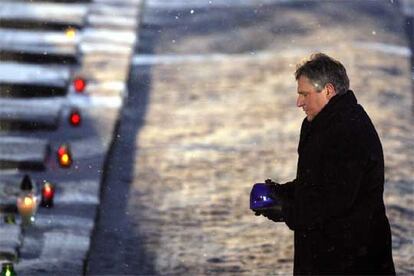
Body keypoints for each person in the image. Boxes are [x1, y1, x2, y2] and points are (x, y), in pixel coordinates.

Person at [255, 53, 395, 275]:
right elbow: (316, 181)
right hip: (325, 256)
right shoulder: (320, 124)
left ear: (328, 90)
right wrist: (281, 192)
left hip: (352, 260)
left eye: (305, 94)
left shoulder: (350, 131)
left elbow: (333, 201)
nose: (298, 102)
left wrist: (284, 210)